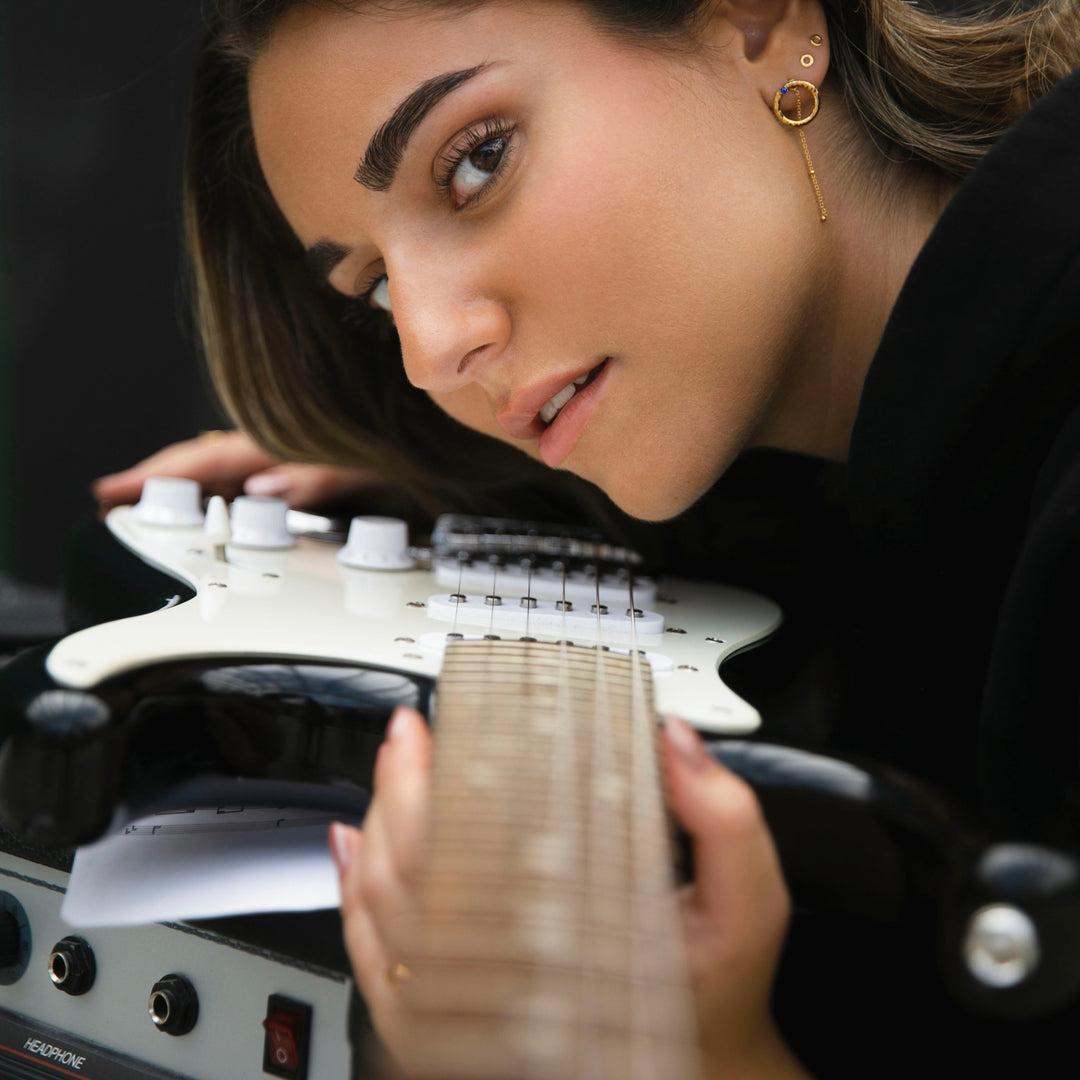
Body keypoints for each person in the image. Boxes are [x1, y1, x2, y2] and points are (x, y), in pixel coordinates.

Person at [94, 0, 1080, 1074]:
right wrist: (477, 514)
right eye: (375, 284)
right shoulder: (838, 497)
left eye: (475, 164)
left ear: (759, 24)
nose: (428, 350)